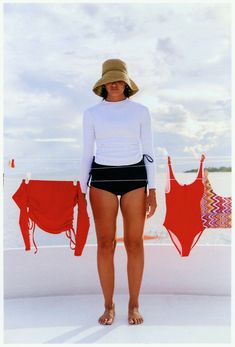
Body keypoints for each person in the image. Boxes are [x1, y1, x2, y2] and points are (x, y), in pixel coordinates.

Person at [80, 58, 157, 325]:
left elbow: (149, 151)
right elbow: (86, 153)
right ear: (103, 84)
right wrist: (81, 188)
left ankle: (133, 305)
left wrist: (153, 188)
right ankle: (108, 305)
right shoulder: (91, 113)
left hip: (135, 177)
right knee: (105, 244)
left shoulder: (141, 111)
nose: (114, 83)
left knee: (135, 243)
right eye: (109, 79)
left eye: (118, 78)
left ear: (126, 82)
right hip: (102, 178)